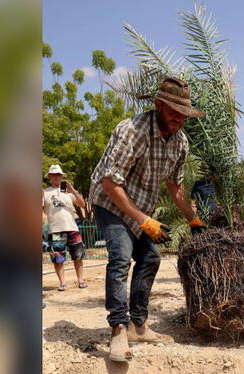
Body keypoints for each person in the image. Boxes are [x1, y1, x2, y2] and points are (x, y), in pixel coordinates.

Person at [89, 77, 207, 361]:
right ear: (158, 105)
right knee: (121, 256)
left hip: (140, 207)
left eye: (184, 114)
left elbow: (175, 186)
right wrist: (145, 221)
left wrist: (193, 220)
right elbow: (110, 184)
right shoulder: (132, 131)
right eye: (173, 111)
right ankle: (118, 330)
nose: (179, 118)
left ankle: (138, 326)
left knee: (151, 259)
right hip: (110, 201)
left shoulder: (180, 143)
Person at [42, 164, 87, 291]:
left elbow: (82, 204)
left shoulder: (68, 192)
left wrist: (73, 191)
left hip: (72, 227)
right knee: (58, 258)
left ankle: (81, 280)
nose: (57, 177)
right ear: (49, 177)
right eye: (54, 174)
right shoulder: (45, 193)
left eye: (59, 175)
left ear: (62, 176)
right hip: (55, 229)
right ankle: (62, 283)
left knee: (78, 256)